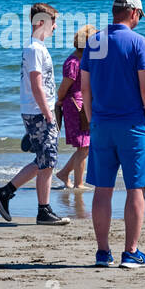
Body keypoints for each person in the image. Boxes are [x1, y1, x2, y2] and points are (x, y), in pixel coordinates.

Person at [80, 0, 145, 268]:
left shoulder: (94, 41)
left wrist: (92, 119)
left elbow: (85, 88)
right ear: (134, 12)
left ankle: (103, 253)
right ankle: (131, 252)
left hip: (102, 124)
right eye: (140, 16)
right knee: (136, 188)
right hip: (133, 124)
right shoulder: (138, 42)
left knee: (103, 189)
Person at [0, 4, 71, 226]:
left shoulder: (36, 47)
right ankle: (43, 210)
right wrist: (48, 114)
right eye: (52, 22)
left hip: (36, 111)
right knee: (48, 161)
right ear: (40, 23)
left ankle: (6, 192)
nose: (55, 27)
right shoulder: (35, 49)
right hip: (38, 112)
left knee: (44, 160)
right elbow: (36, 85)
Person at [55, 23, 96, 189]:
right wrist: (59, 101)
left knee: (85, 146)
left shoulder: (85, 59)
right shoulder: (73, 62)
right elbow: (64, 87)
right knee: (84, 146)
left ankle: (64, 173)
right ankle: (78, 183)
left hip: (84, 104)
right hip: (75, 106)